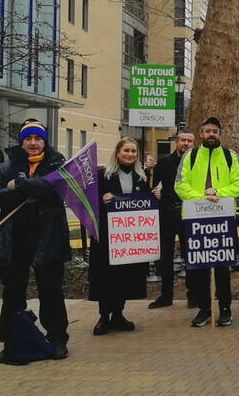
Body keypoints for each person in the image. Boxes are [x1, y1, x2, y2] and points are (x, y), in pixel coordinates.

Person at [0, 119, 70, 364]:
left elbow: (53, 189)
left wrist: (19, 184)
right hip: (15, 239)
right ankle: (11, 341)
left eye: (38, 138)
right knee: (12, 294)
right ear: (22, 142)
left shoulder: (57, 162)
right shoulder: (9, 164)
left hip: (49, 237)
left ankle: (57, 339)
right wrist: (26, 192)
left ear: (45, 141)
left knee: (51, 292)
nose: (33, 143)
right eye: (28, 139)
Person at [175, 116, 239, 328]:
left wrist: (218, 192)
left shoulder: (230, 156)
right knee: (198, 268)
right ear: (201, 134)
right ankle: (204, 309)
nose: (211, 135)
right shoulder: (190, 156)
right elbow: (180, 184)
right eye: (207, 131)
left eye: (215, 131)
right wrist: (201, 198)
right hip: (196, 220)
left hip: (223, 220)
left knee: (222, 267)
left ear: (220, 134)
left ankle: (225, 309)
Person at [89, 138, 161, 335]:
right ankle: (104, 316)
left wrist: (154, 197)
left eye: (133, 151)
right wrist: (102, 200)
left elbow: (145, 204)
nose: (130, 154)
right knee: (107, 276)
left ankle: (118, 314)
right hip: (107, 235)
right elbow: (89, 201)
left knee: (124, 276)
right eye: (126, 151)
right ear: (118, 152)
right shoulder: (103, 175)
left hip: (128, 238)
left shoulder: (143, 176)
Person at [148, 129, 196, 309]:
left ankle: (193, 295)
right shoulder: (164, 162)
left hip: (189, 214)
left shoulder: (197, 163)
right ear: (177, 142)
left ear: (193, 143)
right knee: (165, 257)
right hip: (167, 214)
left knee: (190, 256)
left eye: (189, 141)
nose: (186, 144)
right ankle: (166, 295)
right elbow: (154, 186)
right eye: (183, 140)